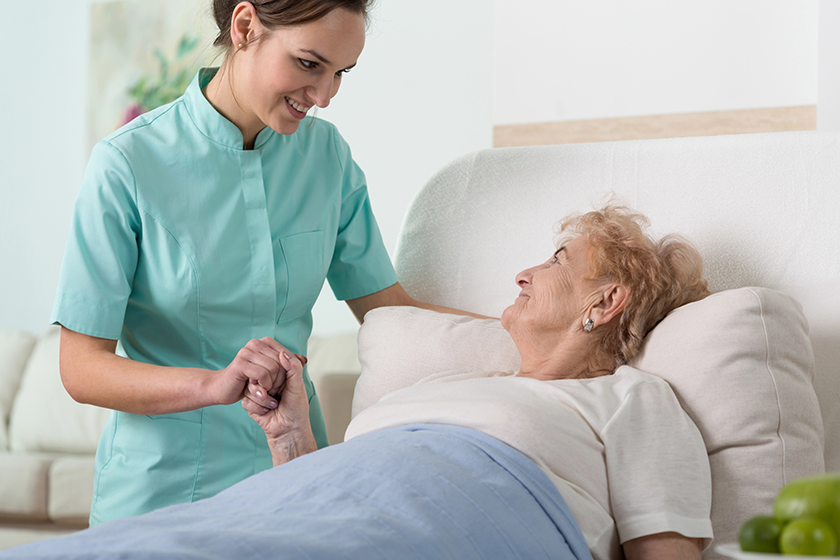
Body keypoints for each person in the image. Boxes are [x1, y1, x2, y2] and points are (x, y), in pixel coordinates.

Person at [51, 0, 475, 527]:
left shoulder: (328, 159)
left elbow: (390, 312)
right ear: (246, 27)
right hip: (159, 494)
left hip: (294, 479)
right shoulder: (127, 164)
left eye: (340, 73)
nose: (324, 97)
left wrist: (543, 334)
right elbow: (80, 367)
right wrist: (212, 385)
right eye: (308, 63)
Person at [243, 204, 715, 560]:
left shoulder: (630, 397)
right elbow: (315, 503)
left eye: (555, 262)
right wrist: (288, 436)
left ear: (605, 301)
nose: (524, 275)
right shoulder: (440, 383)